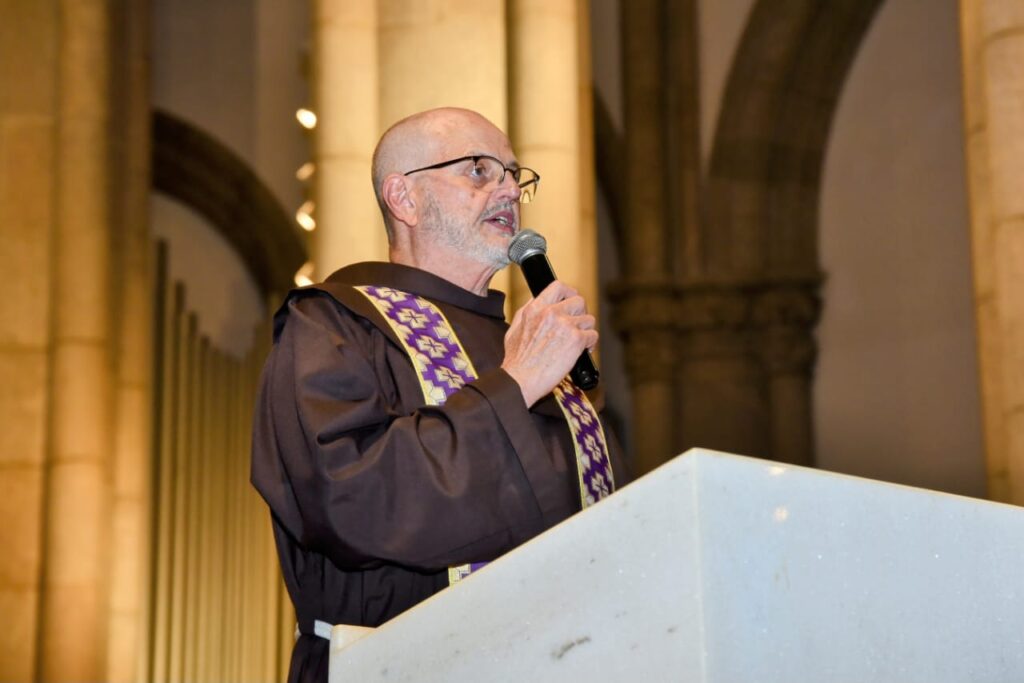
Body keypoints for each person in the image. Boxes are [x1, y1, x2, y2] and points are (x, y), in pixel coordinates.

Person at [251, 107, 628, 683]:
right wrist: (517, 382)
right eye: (479, 171)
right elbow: (355, 502)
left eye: (513, 174)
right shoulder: (335, 326)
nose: (507, 189)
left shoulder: (535, 353)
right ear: (403, 198)